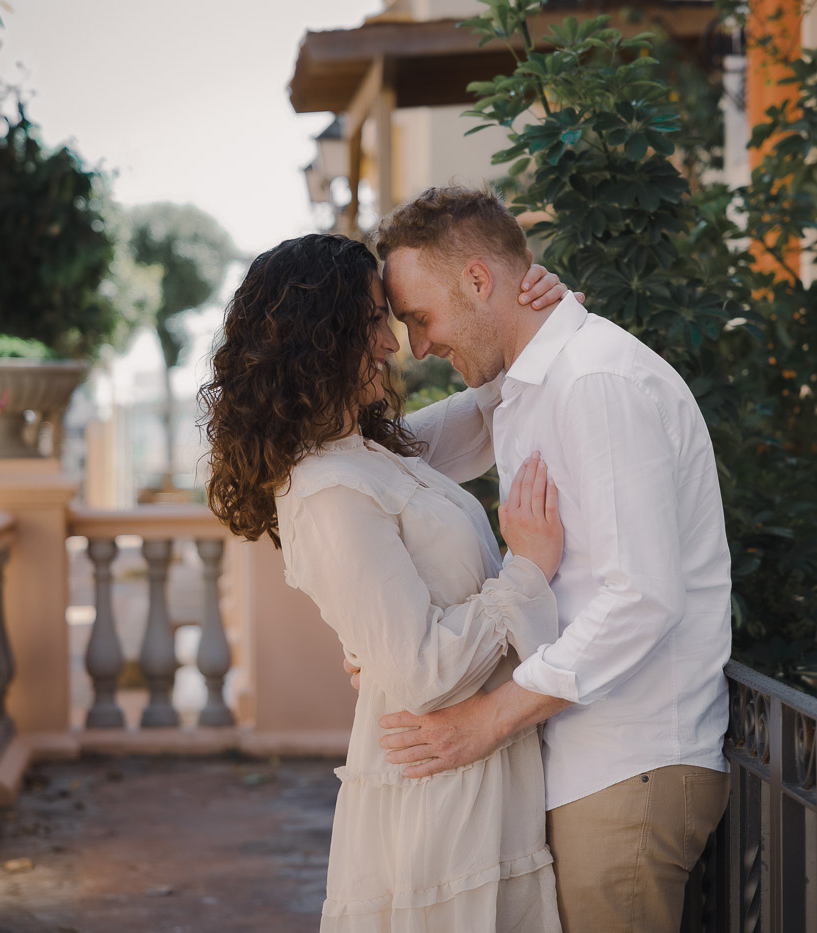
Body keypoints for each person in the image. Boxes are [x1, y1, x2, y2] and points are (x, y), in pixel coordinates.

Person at [372, 186, 733, 932]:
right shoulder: (530, 386)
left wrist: (489, 720)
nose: (418, 346)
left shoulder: (594, 382)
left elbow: (644, 597)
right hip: (589, 762)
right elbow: (394, 460)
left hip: (629, 763)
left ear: (478, 280)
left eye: (418, 316)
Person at [202, 232, 575, 932]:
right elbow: (423, 672)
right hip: (443, 798)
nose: (392, 344)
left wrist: (543, 319)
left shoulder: (372, 451)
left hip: (477, 776)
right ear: (323, 337)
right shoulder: (326, 489)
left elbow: (493, 409)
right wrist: (527, 567)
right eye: (376, 320)